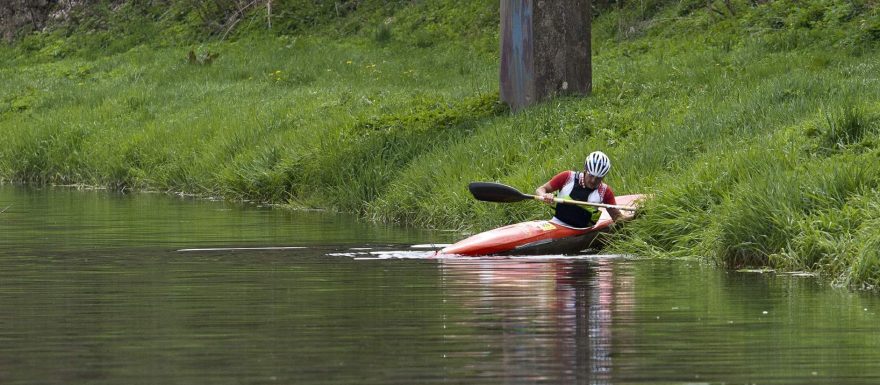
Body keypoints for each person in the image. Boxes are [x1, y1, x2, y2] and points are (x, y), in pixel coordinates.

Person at [535, 151, 624, 229]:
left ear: (603, 176)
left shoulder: (605, 192)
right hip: (556, 224)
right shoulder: (567, 177)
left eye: (598, 178)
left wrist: (631, 218)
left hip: (583, 232)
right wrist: (544, 195)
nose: (593, 181)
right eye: (591, 175)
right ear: (585, 169)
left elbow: (617, 218)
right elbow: (541, 189)